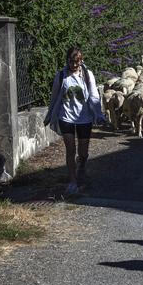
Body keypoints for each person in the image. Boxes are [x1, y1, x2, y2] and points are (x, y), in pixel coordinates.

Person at [43, 46, 105, 196]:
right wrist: (49, 114)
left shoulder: (87, 75)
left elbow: (94, 96)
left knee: (82, 152)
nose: (74, 65)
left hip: (84, 118)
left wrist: (98, 114)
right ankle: (72, 181)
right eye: (71, 62)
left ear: (81, 61)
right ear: (67, 61)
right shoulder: (61, 76)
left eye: (77, 62)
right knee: (70, 150)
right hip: (66, 117)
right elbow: (55, 96)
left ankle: (82, 164)